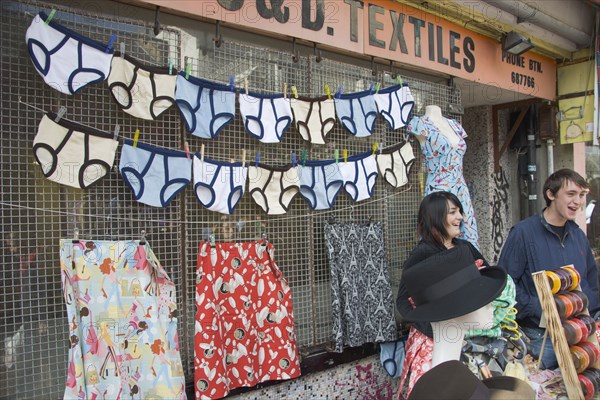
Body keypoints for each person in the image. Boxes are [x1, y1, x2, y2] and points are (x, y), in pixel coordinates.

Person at [396, 191, 515, 396]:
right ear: (435, 217)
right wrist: (435, 326)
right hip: (438, 338)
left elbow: (482, 280)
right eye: (453, 212)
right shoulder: (422, 254)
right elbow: (403, 302)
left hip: (469, 333)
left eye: (460, 210)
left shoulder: (464, 247)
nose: (460, 216)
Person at [498, 168, 600, 370]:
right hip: (540, 337)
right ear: (551, 194)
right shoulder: (523, 233)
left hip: (580, 333)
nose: (578, 202)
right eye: (570, 194)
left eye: (581, 195)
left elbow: (590, 281)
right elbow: (504, 286)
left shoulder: (578, 235)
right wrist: (540, 307)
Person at [407, 105, 480, 248]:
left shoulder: (454, 125)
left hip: (460, 187)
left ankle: (470, 265)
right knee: (440, 234)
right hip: (439, 188)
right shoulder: (420, 124)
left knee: (467, 233)